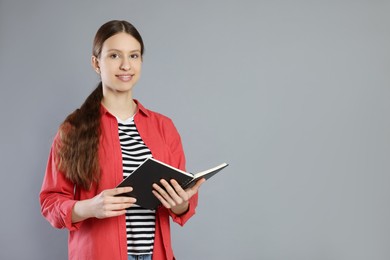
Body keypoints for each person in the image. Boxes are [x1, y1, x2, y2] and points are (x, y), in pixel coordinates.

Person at [39, 20, 205, 260]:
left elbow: (182, 200)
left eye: (134, 56)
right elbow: (50, 201)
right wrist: (90, 207)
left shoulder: (164, 127)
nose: (126, 65)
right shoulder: (73, 129)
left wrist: (179, 203)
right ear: (96, 63)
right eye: (115, 55)